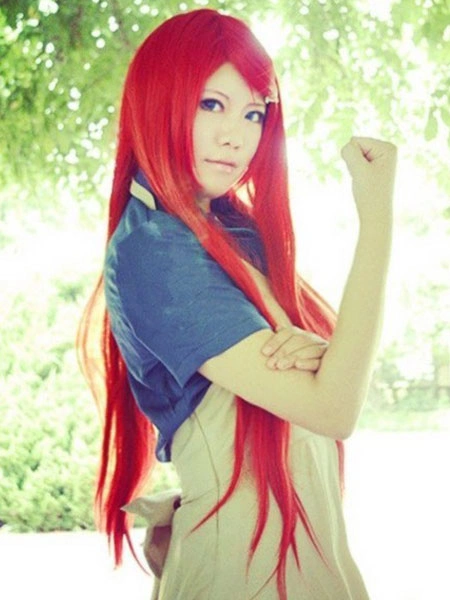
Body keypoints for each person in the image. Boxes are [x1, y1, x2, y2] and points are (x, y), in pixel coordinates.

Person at [78, 8, 396, 600]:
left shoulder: (230, 230)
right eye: (211, 104)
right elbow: (333, 408)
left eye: (254, 112)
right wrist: (377, 215)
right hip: (245, 569)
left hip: (299, 556)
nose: (237, 135)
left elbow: (334, 385)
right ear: (158, 100)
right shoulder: (154, 247)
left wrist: (321, 354)